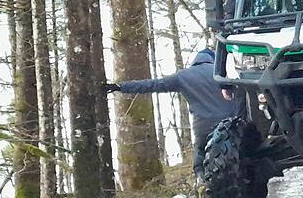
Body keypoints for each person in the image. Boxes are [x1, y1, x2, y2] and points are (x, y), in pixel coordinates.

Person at [103, 48, 242, 174]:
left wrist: (120, 87)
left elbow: (152, 85)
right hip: (231, 121)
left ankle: (202, 182)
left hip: (203, 126)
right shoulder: (222, 73)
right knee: (241, 152)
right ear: (213, 59)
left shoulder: (183, 77)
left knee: (200, 156)